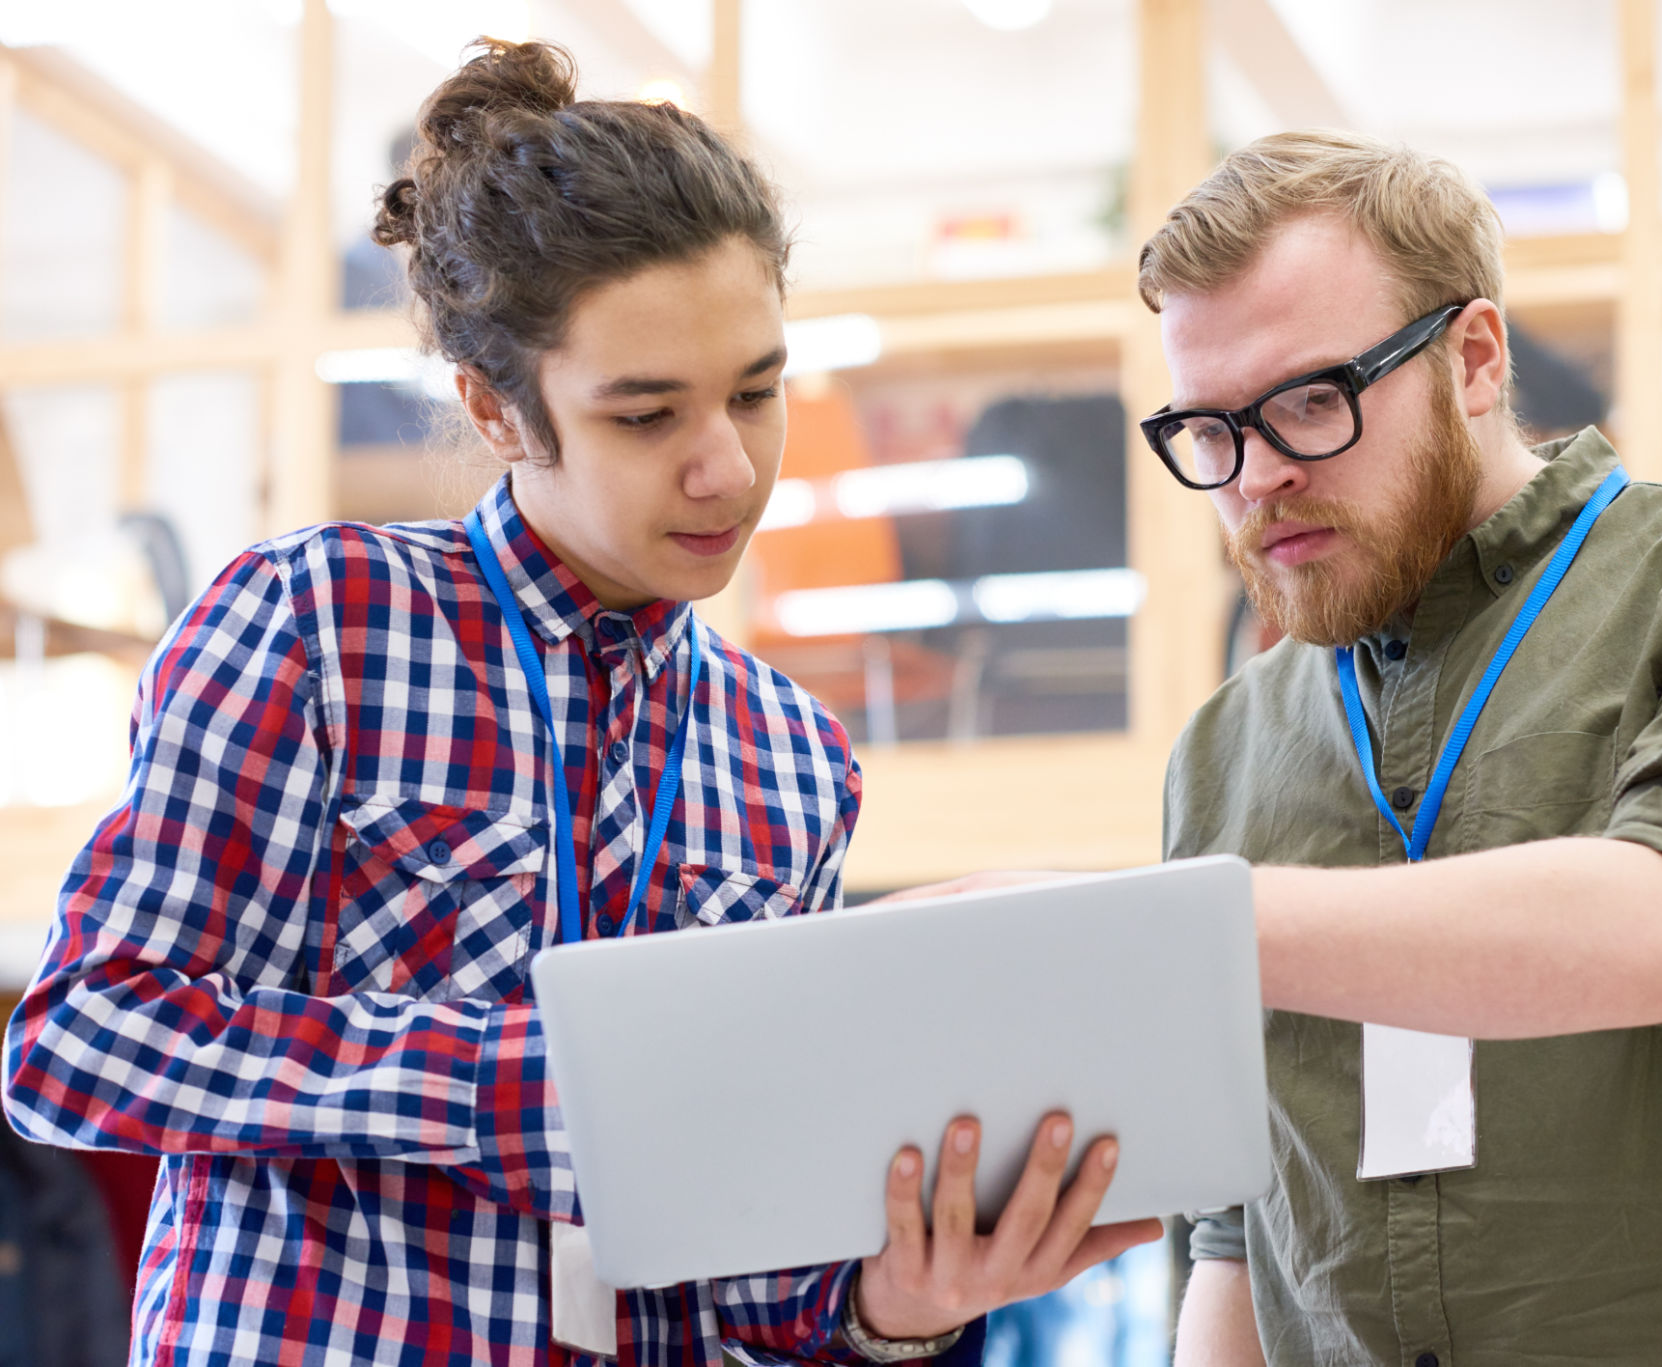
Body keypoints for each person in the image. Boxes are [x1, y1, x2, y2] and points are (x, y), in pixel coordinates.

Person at [2, 40, 1156, 1367]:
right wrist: (518, 1078)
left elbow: (745, 1265)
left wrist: (890, 1299)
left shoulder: (794, 757)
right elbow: (77, 1036)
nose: (727, 467)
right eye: (646, 413)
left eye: (758, 391)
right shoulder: (317, 624)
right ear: (497, 409)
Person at [914, 131, 1662, 1364]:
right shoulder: (1226, 745)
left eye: (1308, 400)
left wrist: (1158, 932)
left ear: (1472, 359)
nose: (1259, 478)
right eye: (1210, 428)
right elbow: (1237, 1236)